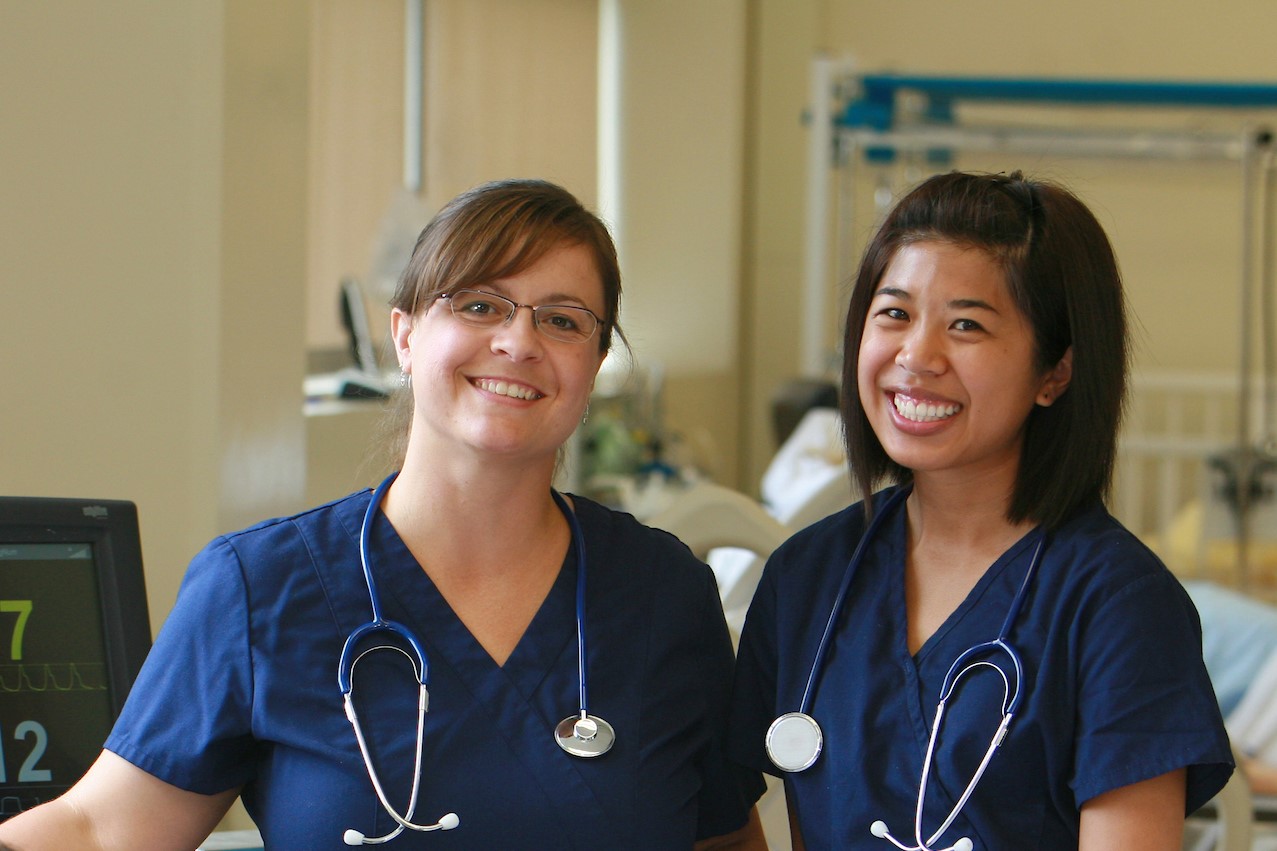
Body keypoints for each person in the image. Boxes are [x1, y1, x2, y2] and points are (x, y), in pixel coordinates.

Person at [0, 179, 767, 850]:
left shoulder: (662, 591)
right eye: (478, 303)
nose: (518, 340)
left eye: (563, 320)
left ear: (594, 363)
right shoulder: (261, 587)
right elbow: (99, 828)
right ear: (404, 335)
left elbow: (726, 837)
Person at [726, 171, 1233, 850]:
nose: (915, 356)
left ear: (1054, 371)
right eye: (894, 313)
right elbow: (728, 820)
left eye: (965, 324)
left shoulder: (1117, 604)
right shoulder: (807, 577)